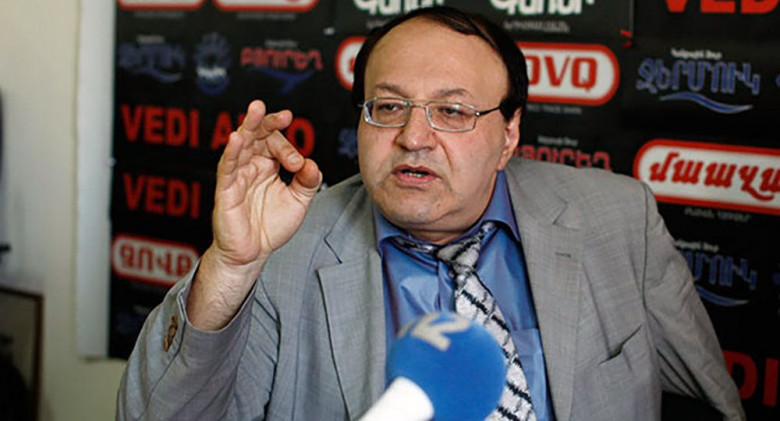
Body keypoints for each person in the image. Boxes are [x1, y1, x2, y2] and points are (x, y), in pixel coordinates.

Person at [117, 6, 744, 421]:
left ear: (509, 134)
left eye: (452, 111)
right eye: (389, 107)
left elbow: (712, 405)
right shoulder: (285, 251)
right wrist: (231, 267)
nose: (414, 138)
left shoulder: (619, 220)